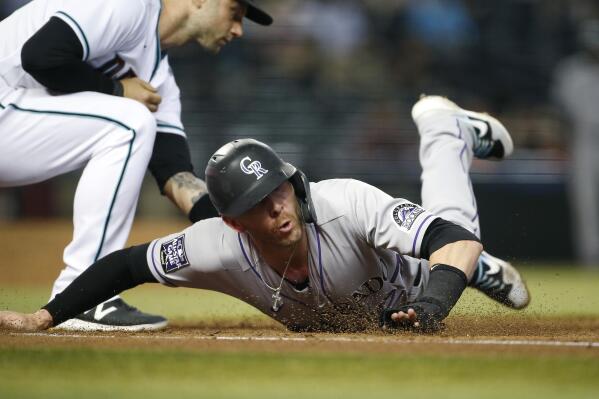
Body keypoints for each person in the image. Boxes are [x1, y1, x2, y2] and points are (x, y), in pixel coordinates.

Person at [0, 96, 530, 333]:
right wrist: (43, 317)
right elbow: (126, 266)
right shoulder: (215, 244)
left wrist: (436, 304)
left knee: (458, 226)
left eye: (278, 190)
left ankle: (444, 129)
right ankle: (478, 267)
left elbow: (452, 237)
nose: (277, 207)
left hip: (415, 276)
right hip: (361, 304)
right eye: (257, 203)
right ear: (234, 220)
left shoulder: (343, 203)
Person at [0, 0, 273, 331]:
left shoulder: (159, 79)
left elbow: (176, 177)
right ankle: (85, 296)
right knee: (130, 122)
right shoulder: (129, 5)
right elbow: (40, 55)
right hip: (6, 102)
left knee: (132, 122)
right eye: (235, 13)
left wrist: (243, 232)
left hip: (13, 124)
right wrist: (116, 89)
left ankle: (82, 295)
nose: (238, 29)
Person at [552, 18, 599, 266]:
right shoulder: (571, 70)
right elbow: (562, 112)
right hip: (583, 138)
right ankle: (590, 258)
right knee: (586, 202)